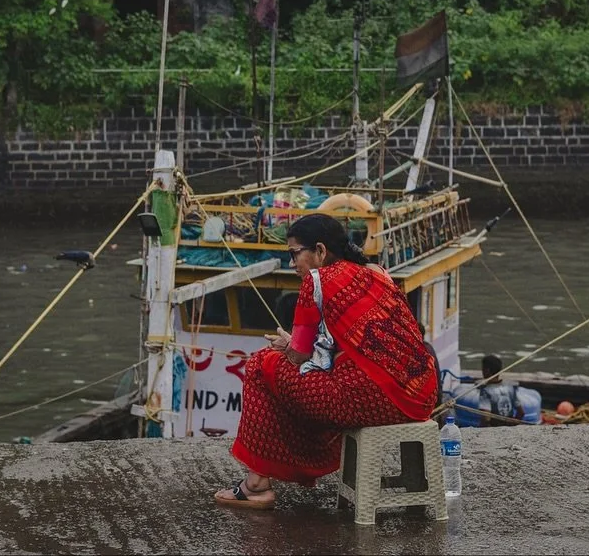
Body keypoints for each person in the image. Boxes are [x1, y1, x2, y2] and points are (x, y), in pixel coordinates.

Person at [215, 213, 439, 509]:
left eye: (295, 253)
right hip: (422, 397)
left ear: (320, 251)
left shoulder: (317, 280)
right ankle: (269, 475)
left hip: (375, 401)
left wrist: (286, 346)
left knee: (261, 364)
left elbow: (299, 355)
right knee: (322, 375)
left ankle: (257, 485)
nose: (292, 263)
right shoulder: (378, 272)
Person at [477, 354, 524, 425]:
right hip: (509, 427)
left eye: (483, 368)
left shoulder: (485, 391)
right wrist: (512, 425)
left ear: (487, 370)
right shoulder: (510, 387)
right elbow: (521, 413)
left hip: (494, 427)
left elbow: (486, 418)